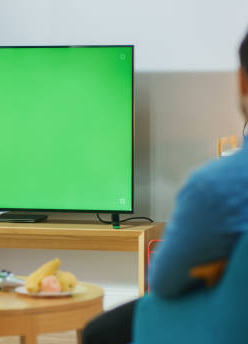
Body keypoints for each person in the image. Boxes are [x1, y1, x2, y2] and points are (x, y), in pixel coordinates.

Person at [82, 29, 248, 343]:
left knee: (99, 332)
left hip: (216, 327)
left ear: (242, 81)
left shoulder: (215, 187)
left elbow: (164, 280)